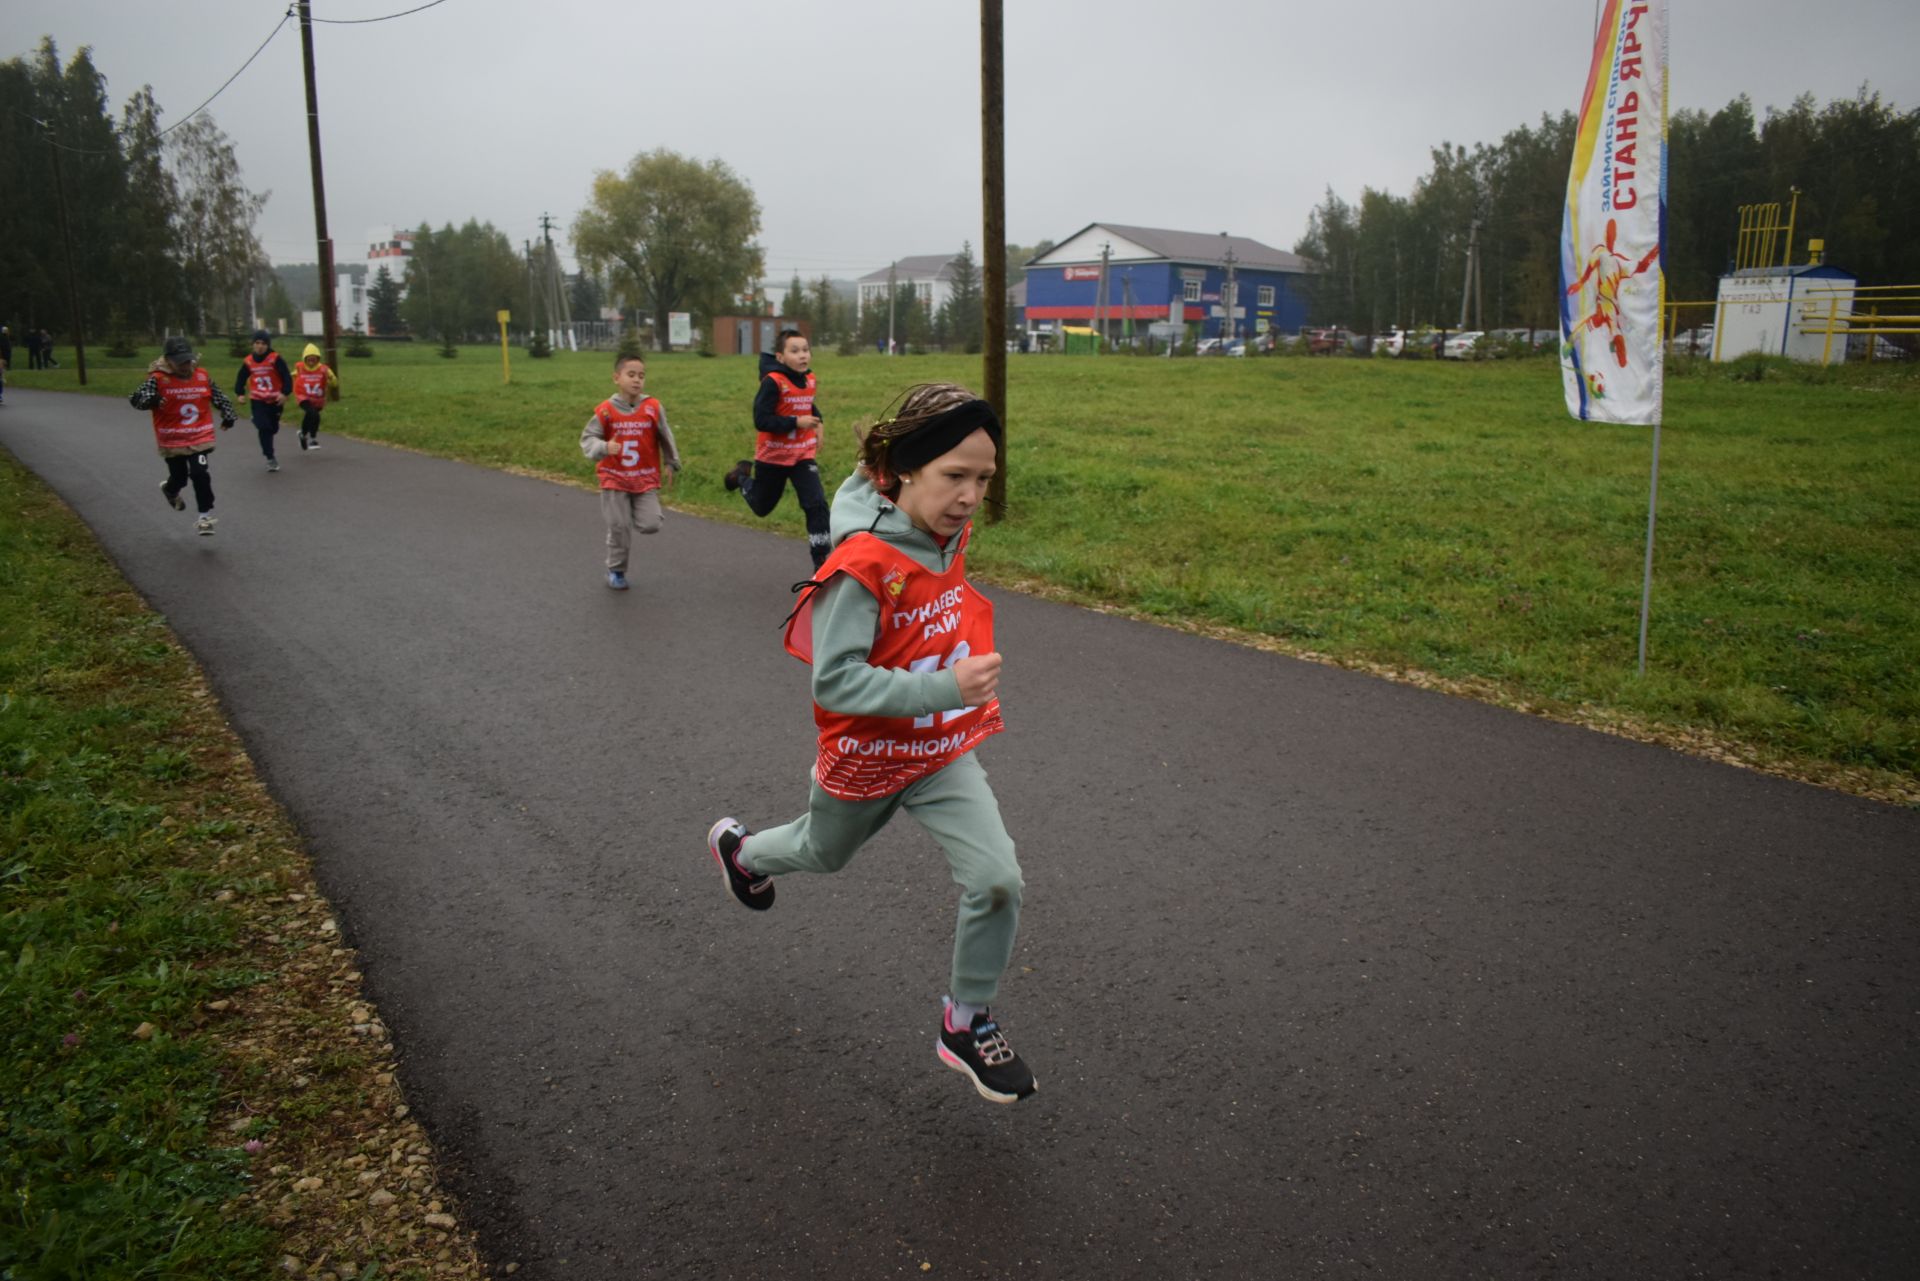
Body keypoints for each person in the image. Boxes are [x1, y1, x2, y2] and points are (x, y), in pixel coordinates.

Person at [706, 382, 1036, 1105]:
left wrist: (944, 685)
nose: (972, 496)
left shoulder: (940, 523)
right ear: (904, 469)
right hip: (868, 754)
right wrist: (947, 685)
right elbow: (836, 685)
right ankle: (741, 851)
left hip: (941, 750)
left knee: (997, 877)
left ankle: (965, 1018)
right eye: (956, 475)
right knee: (822, 853)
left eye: (984, 478)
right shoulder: (857, 567)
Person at [722, 328, 831, 569]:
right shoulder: (773, 382)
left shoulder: (809, 378)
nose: (802, 355)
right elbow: (761, 420)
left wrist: (818, 423)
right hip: (773, 456)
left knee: (816, 503)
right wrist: (795, 422)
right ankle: (741, 477)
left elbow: (807, 404)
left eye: (805, 350)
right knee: (762, 507)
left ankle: (822, 561)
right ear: (780, 357)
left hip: (802, 454)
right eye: (794, 351)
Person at [580, 352, 680, 590]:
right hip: (614, 477)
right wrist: (604, 447)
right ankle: (616, 570)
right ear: (617, 377)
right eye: (631, 374)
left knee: (651, 524)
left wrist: (671, 461)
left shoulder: (652, 407)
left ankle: (626, 522)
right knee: (619, 527)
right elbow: (588, 438)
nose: (637, 380)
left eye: (641, 376)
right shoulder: (605, 410)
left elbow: (665, 434)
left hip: (643, 477)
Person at [130, 335, 236, 535]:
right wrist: (152, 400)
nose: (185, 366)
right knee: (180, 478)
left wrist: (228, 415)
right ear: (168, 360)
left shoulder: (202, 376)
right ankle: (171, 489)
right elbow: (135, 399)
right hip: (173, 441)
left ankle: (204, 516)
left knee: (199, 473)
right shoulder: (157, 379)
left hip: (199, 438)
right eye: (180, 362)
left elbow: (218, 396)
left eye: (188, 361)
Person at [234, 328, 292, 472]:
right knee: (263, 427)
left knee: (273, 428)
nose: (260, 346)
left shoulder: (275, 359)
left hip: (275, 399)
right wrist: (240, 393)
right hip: (257, 399)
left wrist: (284, 393)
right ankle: (270, 457)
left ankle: (264, 425)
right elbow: (241, 377)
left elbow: (286, 377)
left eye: (263, 343)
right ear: (253, 344)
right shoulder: (248, 361)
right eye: (257, 343)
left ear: (267, 345)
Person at [290, 342, 337, 450]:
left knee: (310, 416)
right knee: (313, 414)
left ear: (318, 359)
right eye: (309, 359)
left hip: (317, 398)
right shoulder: (300, 368)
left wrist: (332, 381)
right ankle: (313, 439)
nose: (311, 362)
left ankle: (303, 433)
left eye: (314, 359)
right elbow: (290, 376)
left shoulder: (324, 369)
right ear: (305, 359)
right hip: (303, 397)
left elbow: (334, 381)